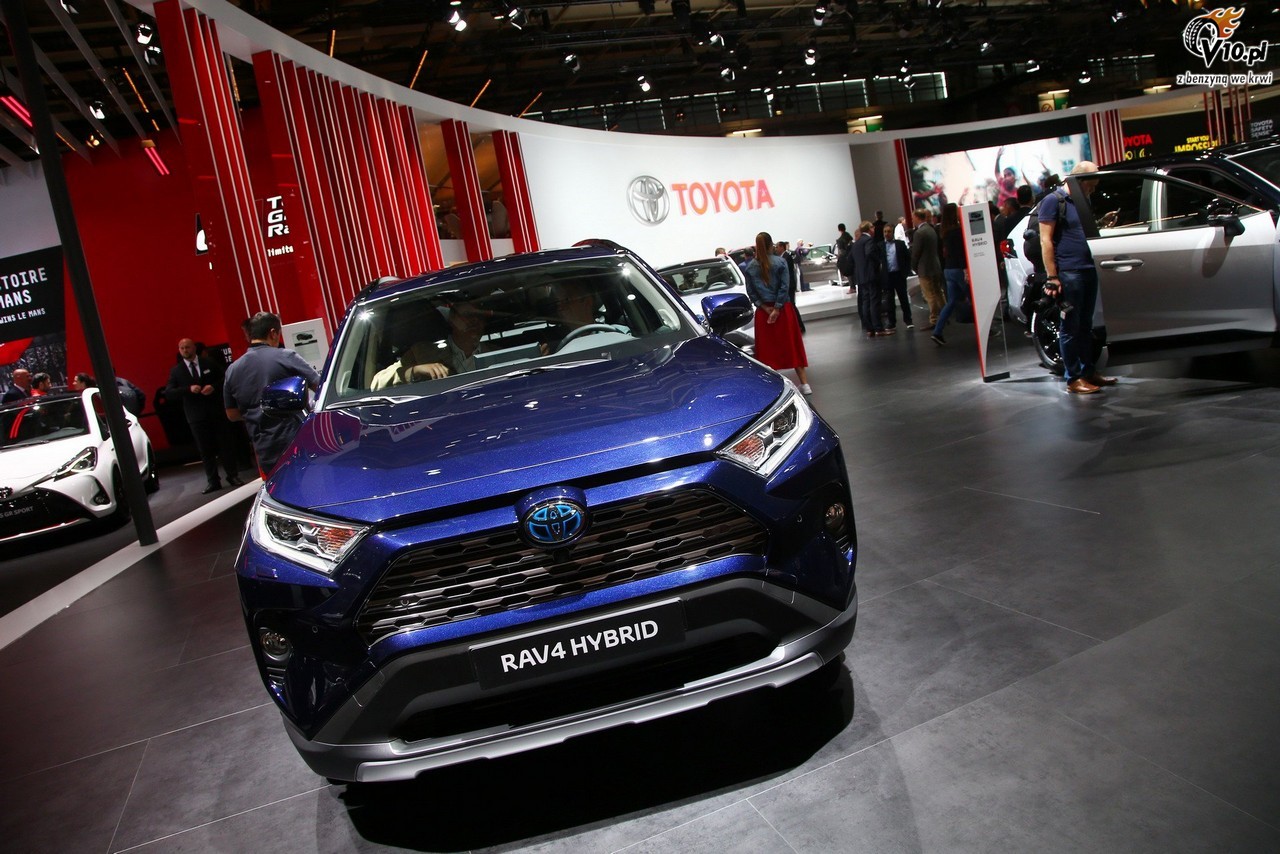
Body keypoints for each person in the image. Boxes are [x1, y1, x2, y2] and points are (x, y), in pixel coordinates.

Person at [1040, 161, 1116, 394]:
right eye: (1091, 185)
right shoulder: (1053, 201)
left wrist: (1101, 223)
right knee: (1070, 327)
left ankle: (1088, 372)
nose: (1093, 189)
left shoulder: (1083, 201)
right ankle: (1073, 378)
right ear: (1080, 180)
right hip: (1069, 272)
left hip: (1087, 269)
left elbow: (1078, 230)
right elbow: (1045, 240)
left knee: (1085, 325)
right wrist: (1053, 276)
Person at [224, 312, 321, 475]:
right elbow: (320, 386)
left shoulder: (232, 370)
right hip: (296, 442)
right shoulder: (285, 357)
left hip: (264, 449)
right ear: (273, 333)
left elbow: (231, 414)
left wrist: (256, 412)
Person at [168, 338, 243, 493]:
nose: (185, 350)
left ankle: (232, 475)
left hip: (216, 411)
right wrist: (188, 389)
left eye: (187, 347)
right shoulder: (177, 371)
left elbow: (225, 379)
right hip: (196, 416)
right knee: (205, 450)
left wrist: (213, 387)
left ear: (194, 348)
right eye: (182, 348)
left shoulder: (208, 363)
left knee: (225, 445)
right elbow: (169, 392)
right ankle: (213, 480)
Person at [744, 231, 811, 394]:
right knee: (792, 346)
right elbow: (785, 286)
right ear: (770, 245)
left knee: (767, 351)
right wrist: (777, 307)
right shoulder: (780, 262)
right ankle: (805, 384)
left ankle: (773, 389)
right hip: (783, 311)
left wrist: (764, 307)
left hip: (763, 314)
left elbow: (751, 292)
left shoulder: (750, 267)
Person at [931, 203, 968, 346]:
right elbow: (960, 253)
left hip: (948, 269)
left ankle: (937, 331)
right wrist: (965, 270)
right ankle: (987, 329)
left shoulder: (943, 232)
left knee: (951, 302)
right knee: (974, 299)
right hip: (958, 270)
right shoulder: (957, 231)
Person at [910, 208, 945, 329]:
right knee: (938, 292)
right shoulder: (931, 229)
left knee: (930, 295)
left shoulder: (919, 233)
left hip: (924, 268)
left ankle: (934, 320)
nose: (912, 220)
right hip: (935, 265)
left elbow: (916, 253)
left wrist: (913, 266)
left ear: (917, 217)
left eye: (913, 218)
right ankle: (945, 315)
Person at [851, 221, 886, 337]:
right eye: (872, 227)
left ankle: (869, 328)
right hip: (871, 275)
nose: (874, 229)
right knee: (874, 301)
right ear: (869, 229)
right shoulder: (869, 240)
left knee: (865, 302)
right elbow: (870, 253)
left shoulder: (856, 243)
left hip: (861, 277)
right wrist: (878, 262)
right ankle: (878, 328)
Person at [881, 224, 914, 331]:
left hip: (899, 275)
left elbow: (907, 258)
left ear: (892, 232)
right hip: (888, 277)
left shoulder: (900, 244)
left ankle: (908, 320)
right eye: (885, 231)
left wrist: (906, 272)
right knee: (889, 301)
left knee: (903, 298)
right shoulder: (880, 246)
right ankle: (892, 322)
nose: (887, 234)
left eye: (889, 231)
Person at [776, 240, 806, 333]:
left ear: (782, 247)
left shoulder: (786, 257)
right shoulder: (783, 257)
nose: (776, 249)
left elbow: (787, 272)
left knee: (792, 305)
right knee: (791, 305)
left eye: (777, 247)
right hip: (788, 285)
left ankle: (800, 326)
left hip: (789, 285)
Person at [835, 223, 855, 292]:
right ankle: (853, 287)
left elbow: (842, 251)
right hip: (852, 255)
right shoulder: (849, 236)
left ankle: (852, 288)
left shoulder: (840, 240)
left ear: (839, 229)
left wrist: (839, 257)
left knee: (848, 272)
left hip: (845, 258)